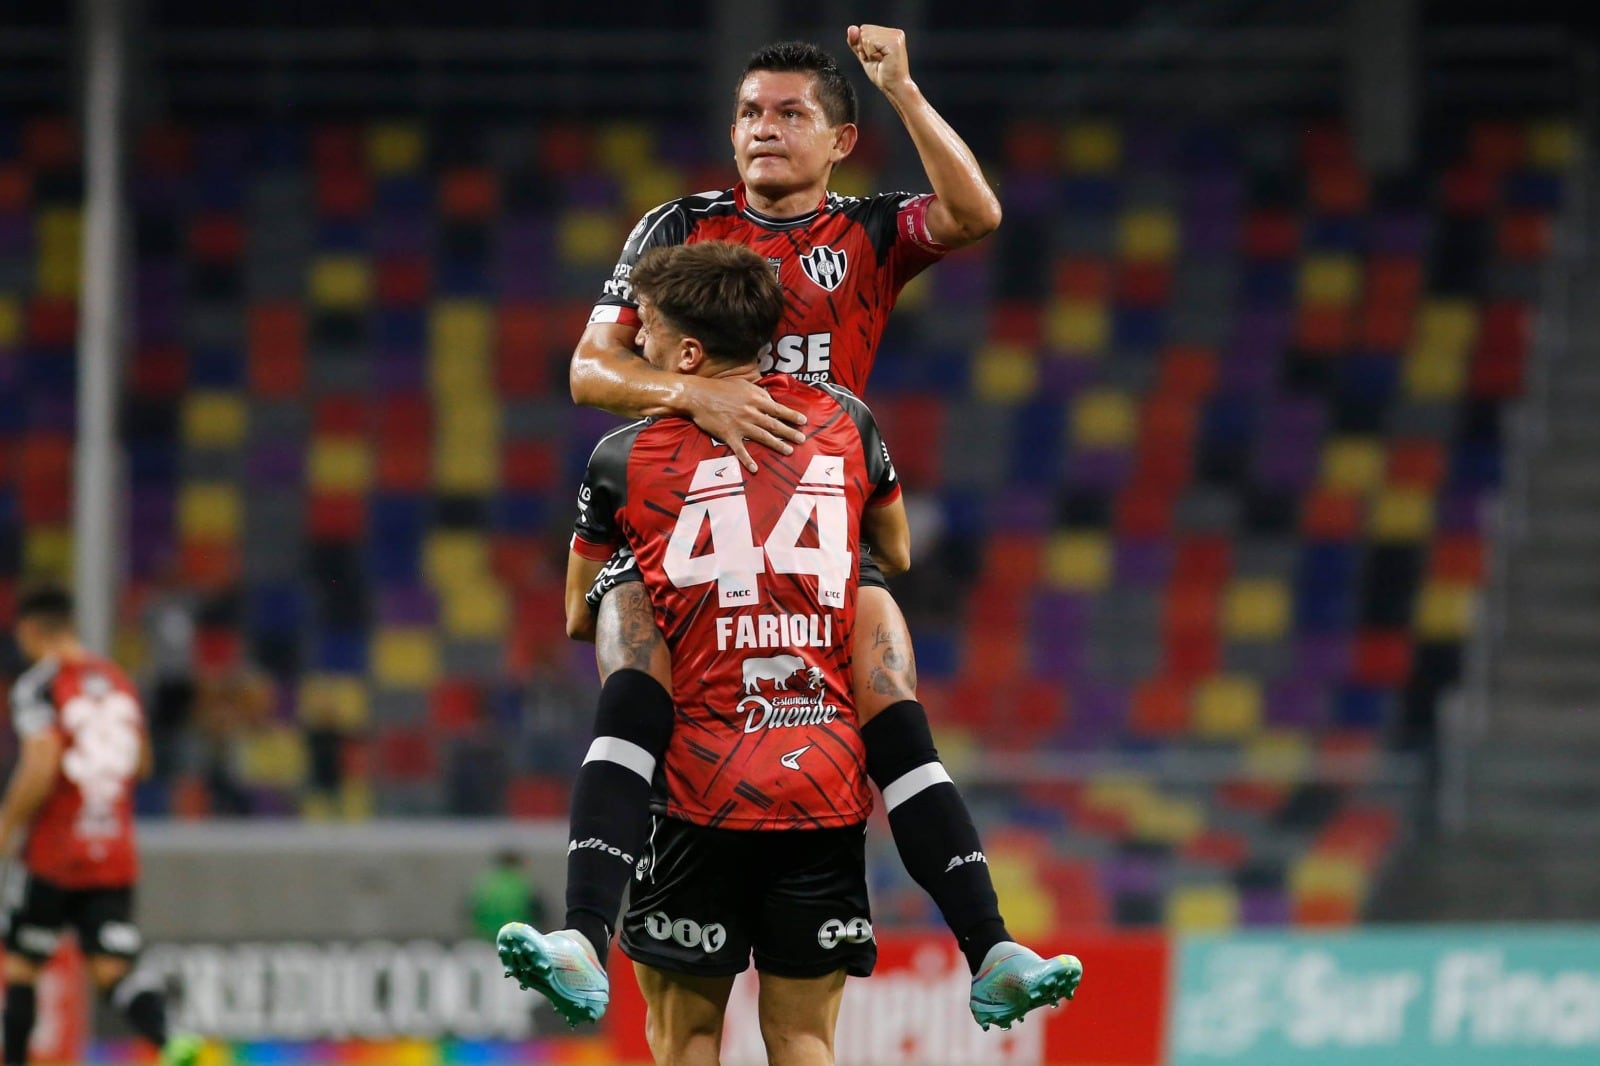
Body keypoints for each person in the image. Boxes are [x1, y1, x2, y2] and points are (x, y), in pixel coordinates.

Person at [511, 26, 1081, 1032]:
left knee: (884, 672)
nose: (761, 131)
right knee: (634, 649)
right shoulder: (677, 226)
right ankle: (583, 933)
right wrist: (697, 401)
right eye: (746, 113)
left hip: (818, 526)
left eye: (788, 114)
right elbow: (588, 371)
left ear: (840, 139)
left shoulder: (864, 234)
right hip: (684, 512)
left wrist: (904, 89)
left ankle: (988, 946)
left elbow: (976, 213)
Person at [504, 241, 914, 1064]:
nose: (638, 346)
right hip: (818, 781)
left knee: (685, 1035)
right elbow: (892, 555)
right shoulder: (840, 421)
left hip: (694, 787)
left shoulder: (625, 457)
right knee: (803, 1037)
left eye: (647, 330)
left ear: (687, 353)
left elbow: (578, 615)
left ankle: (581, 933)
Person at [0, 585, 200, 1066]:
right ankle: (171, 1039)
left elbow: (42, 765)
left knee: (22, 965)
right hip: (111, 851)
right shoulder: (117, 681)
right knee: (113, 968)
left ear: (29, 632)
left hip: (53, 852)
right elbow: (143, 762)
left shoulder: (39, 685)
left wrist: (6, 826)